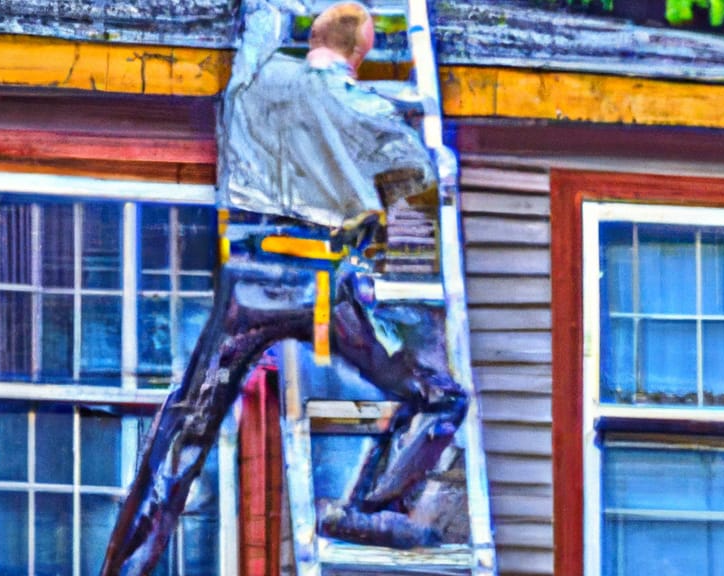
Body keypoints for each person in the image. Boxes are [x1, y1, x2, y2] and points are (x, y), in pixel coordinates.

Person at [100, 3, 467, 575]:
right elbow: (415, 211)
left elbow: (262, 13)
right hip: (326, 287)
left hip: (250, 280)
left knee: (187, 423)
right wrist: (432, 177)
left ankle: (126, 562)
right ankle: (369, 507)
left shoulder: (252, 76)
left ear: (308, 36)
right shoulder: (370, 113)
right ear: (361, 53)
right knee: (442, 396)